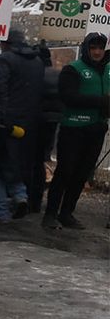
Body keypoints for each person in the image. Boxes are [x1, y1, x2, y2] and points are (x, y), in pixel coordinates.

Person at [43, 32, 109, 229]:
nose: (97, 52)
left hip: (96, 128)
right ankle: (50, 214)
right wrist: (100, 102)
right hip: (74, 127)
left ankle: (67, 213)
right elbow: (68, 97)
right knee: (65, 172)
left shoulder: (107, 70)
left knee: (82, 173)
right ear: (86, 48)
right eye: (93, 48)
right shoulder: (74, 69)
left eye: (100, 48)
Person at [0, 29, 45, 222]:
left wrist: (0, 120)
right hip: (28, 123)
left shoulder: (5, 60)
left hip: (5, 122)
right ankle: (20, 196)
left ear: (5, 43)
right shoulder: (37, 62)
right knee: (15, 163)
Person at [30, 43, 62, 213]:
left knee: (31, 162)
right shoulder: (57, 75)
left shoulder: (35, 74)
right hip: (52, 124)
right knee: (41, 162)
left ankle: (30, 199)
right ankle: (36, 200)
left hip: (35, 123)